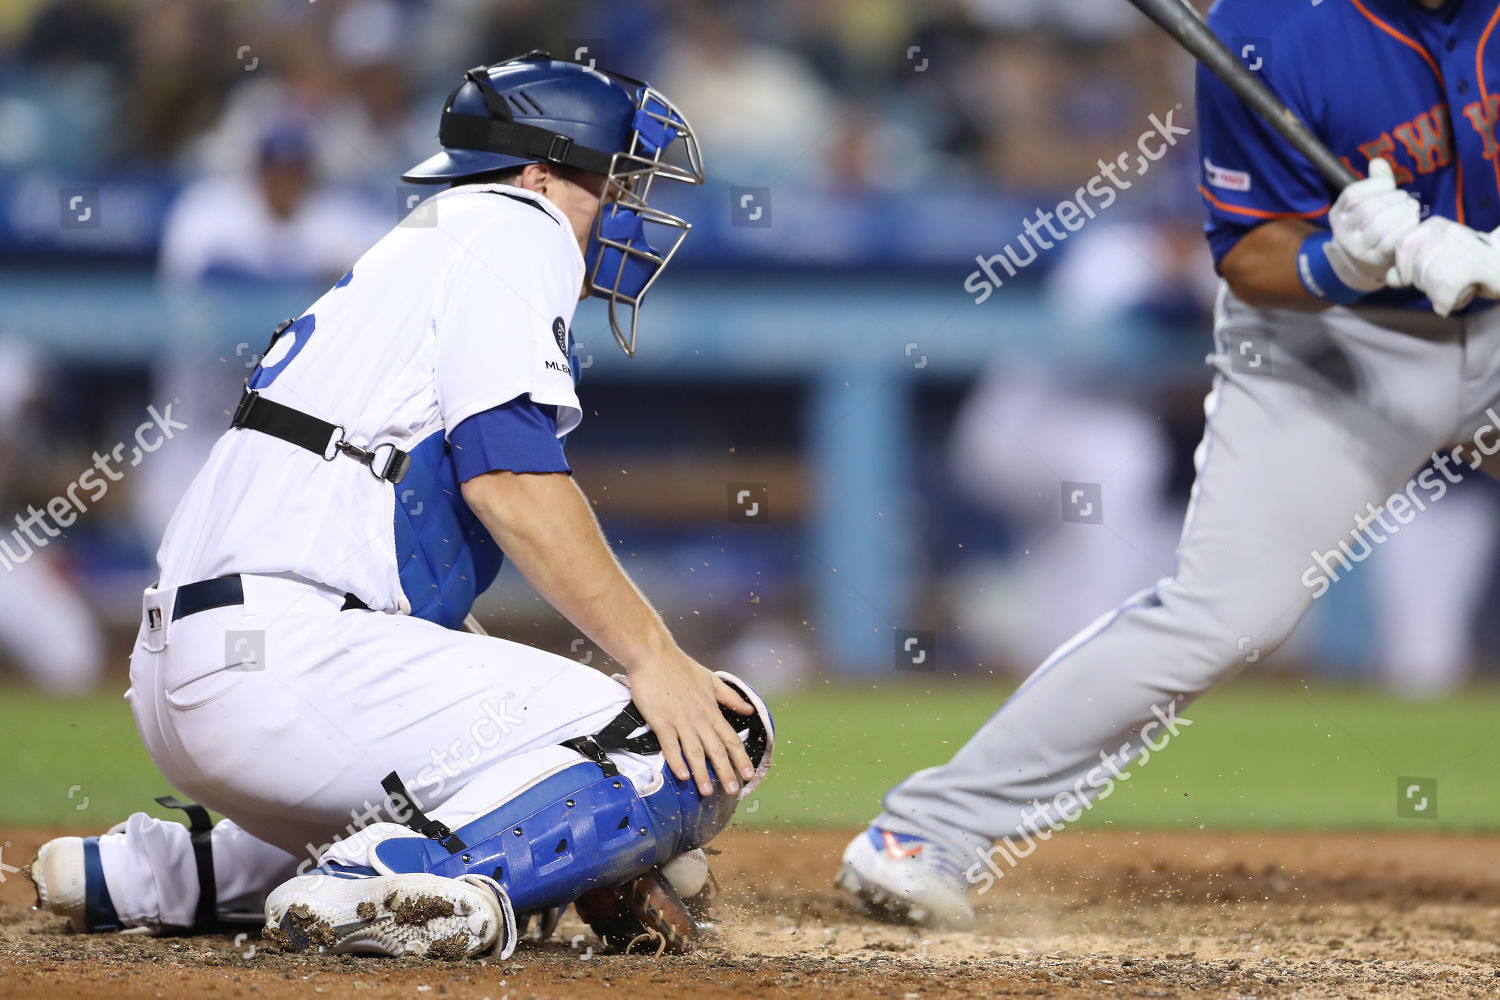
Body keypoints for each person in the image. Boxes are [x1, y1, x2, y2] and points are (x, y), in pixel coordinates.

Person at [28, 52, 773, 961]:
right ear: (538, 175)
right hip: (280, 668)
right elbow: (511, 483)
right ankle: (390, 883)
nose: (617, 211)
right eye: (607, 183)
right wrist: (652, 658)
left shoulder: (429, 242)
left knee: (529, 769)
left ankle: (172, 873)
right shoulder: (515, 227)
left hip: (205, 674)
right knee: (703, 732)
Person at [836, 0, 1500, 929]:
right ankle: (928, 830)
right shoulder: (1272, 26)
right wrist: (1342, 264)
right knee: (1230, 611)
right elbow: (1249, 254)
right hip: (1330, 346)